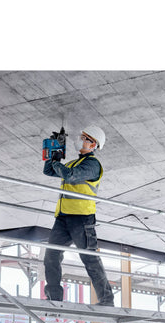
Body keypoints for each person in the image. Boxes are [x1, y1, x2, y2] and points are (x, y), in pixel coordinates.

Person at [43, 125, 114, 306]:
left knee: (89, 258)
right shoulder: (73, 163)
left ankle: (107, 301)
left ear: (93, 145)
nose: (80, 140)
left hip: (81, 218)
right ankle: (54, 298)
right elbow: (49, 171)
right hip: (63, 218)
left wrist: (57, 162)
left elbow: (71, 176)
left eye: (85, 138)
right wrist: (54, 154)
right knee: (51, 256)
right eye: (81, 136)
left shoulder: (92, 165)